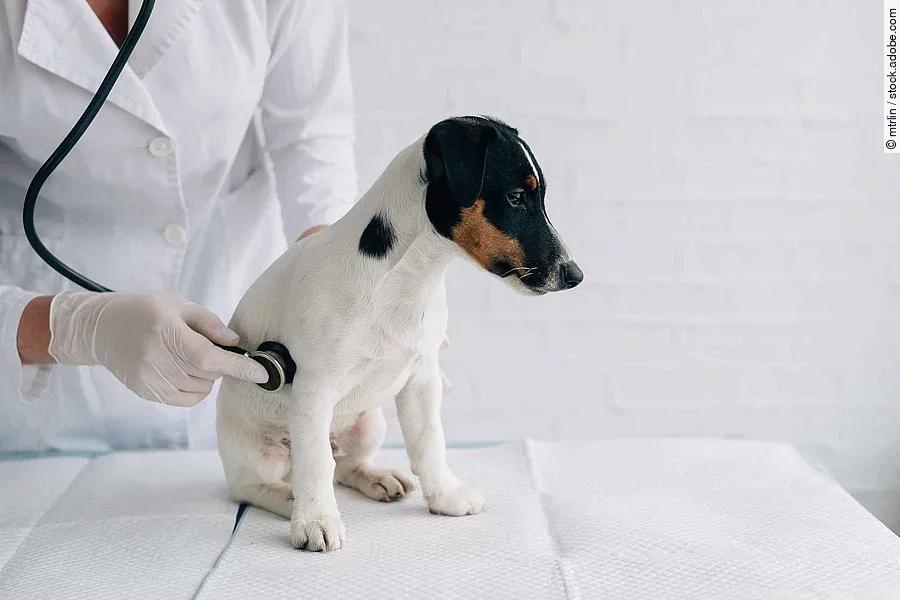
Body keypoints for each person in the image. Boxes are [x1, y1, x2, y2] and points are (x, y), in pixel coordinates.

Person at [0, 0, 358, 452]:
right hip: (41, 389)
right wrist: (73, 329)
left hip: (231, 328)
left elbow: (310, 137)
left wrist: (347, 289)